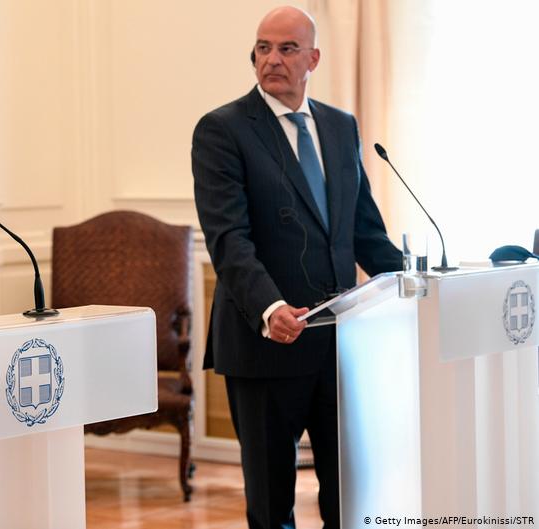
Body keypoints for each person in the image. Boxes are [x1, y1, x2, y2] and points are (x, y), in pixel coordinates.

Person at [191, 6, 402, 529]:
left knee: (349, 495)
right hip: (266, 344)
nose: (272, 60)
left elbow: (364, 233)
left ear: (313, 58)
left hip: (339, 347)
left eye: (287, 49)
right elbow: (229, 239)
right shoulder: (223, 131)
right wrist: (270, 305)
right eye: (263, 48)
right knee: (271, 506)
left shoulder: (339, 126)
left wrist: (419, 281)